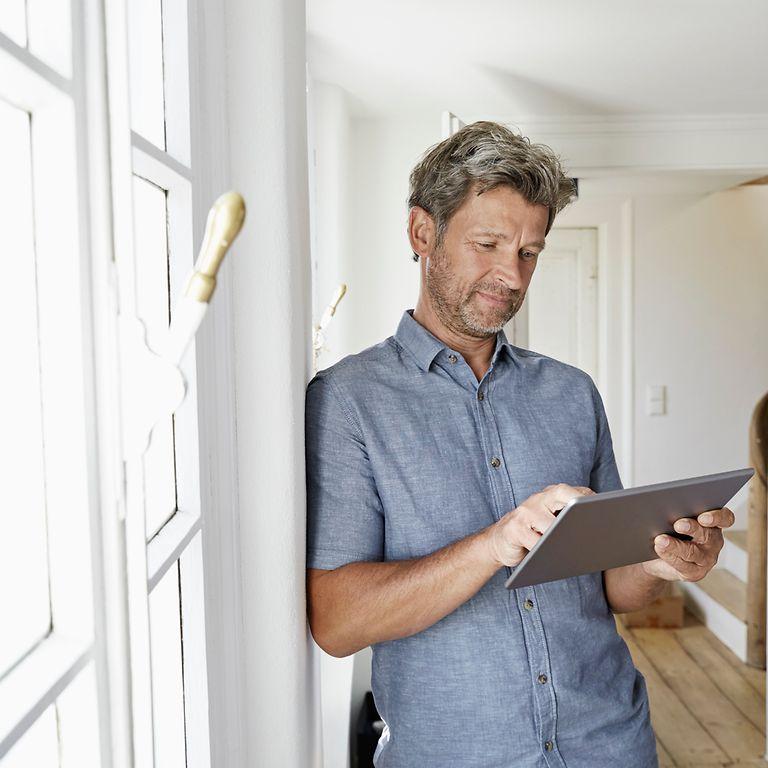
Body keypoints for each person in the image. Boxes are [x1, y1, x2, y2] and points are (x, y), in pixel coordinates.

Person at [305, 121, 733, 767]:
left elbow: (613, 588)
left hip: (611, 741)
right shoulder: (347, 400)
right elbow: (338, 624)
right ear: (423, 232)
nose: (511, 274)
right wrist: (492, 544)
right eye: (488, 243)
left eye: (529, 252)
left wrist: (662, 563)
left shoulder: (571, 393)